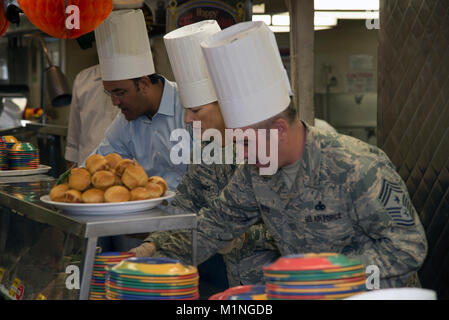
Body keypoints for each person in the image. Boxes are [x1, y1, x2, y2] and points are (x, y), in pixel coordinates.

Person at [146, 21, 428, 288]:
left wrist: (332, 275)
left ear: (279, 129)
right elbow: (213, 226)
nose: (240, 154)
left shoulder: (357, 166)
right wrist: (150, 250)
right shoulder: (255, 173)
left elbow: (408, 247)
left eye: (245, 143)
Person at [130, 20, 280, 288]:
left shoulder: (267, 152)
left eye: (196, 111)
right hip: (234, 285)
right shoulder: (207, 152)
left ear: (225, 105)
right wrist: (151, 246)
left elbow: (291, 221)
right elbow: (184, 210)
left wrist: (233, 234)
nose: (187, 120)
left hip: (284, 284)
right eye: (186, 109)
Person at [91, 9, 190, 191]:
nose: (114, 101)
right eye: (110, 93)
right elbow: (97, 163)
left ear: (144, 83)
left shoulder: (189, 108)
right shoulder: (126, 121)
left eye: (119, 92)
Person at [65, 65, 118, 168]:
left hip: (126, 172)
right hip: (87, 168)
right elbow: (73, 141)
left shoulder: (137, 79)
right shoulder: (83, 79)